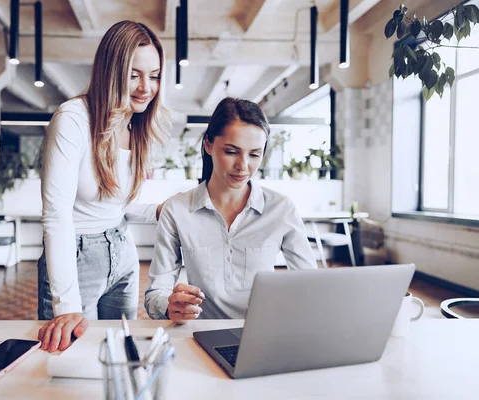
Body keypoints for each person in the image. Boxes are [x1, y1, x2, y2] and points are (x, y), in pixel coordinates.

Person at [37, 20, 172, 352]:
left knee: (120, 351)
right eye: (134, 74)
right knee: (72, 359)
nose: (146, 87)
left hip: (123, 253)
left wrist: (155, 210)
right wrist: (66, 305)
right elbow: (56, 216)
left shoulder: (135, 124)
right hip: (78, 257)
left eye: (154, 76)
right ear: (111, 71)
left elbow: (113, 206)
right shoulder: (73, 119)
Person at [145, 97, 317, 323]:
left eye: (254, 154)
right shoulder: (177, 210)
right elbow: (156, 293)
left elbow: (310, 285)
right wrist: (169, 306)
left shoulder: (281, 208)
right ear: (208, 144)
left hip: (263, 331)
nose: (243, 166)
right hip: (200, 336)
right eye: (231, 151)